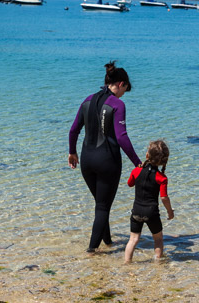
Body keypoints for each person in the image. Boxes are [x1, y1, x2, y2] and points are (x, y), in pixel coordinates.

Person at [68, 61, 141, 253]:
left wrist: (72, 152)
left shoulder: (87, 100)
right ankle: (91, 251)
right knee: (102, 206)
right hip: (107, 161)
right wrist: (138, 163)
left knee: (102, 203)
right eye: (125, 89)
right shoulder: (117, 104)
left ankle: (107, 240)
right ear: (120, 84)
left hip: (86, 161)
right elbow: (122, 138)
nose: (124, 94)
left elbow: (74, 130)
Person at [124, 140, 174, 263]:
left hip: (136, 211)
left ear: (147, 155)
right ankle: (158, 264)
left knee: (133, 239)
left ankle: (127, 263)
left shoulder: (136, 171)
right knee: (158, 239)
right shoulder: (161, 178)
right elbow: (164, 198)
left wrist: (138, 172)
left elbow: (129, 184)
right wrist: (170, 212)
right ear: (163, 161)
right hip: (151, 213)